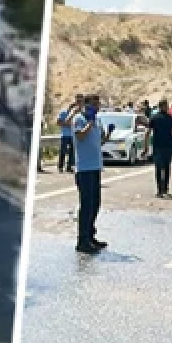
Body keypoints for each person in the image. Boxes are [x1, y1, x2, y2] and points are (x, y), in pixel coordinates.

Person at [71, 95, 109, 254]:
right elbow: (80, 136)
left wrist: (107, 136)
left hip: (95, 167)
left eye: (97, 105)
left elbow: (97, 142)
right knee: (86, 205)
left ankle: (91, 235)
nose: (96, 107)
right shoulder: (79, 119)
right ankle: (82, 241)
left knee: (95, 204)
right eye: (93, 105)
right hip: (84, 168)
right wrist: (90, 123)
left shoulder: (97, 121)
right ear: (86, 105)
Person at [142, 99, 172, 197]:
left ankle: (162, 189)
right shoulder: (163, 118)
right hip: (162, 146)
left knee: (163, 168)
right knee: (162, 168)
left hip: (162, 146)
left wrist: (146, 146)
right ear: (162, 106)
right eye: (166, 106)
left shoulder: (160, 118)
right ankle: (162, 189)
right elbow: (148, 132)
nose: (167, 107)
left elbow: (148, 133)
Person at [55, 96, 82, 173]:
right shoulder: (63, 113)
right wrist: (68, 124)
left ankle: (69, 167)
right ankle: (60, 166)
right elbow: (58, 122)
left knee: (72, 152)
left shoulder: (78, 115)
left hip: (73, 135)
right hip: (65, 135)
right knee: (63, 151)